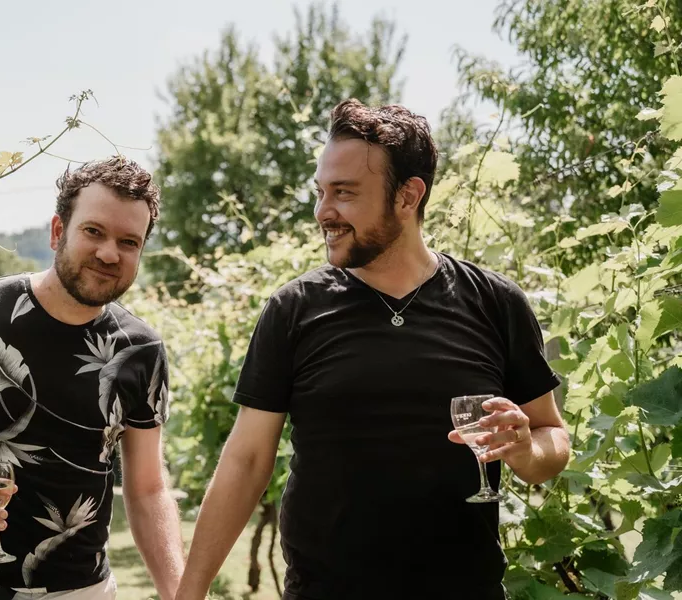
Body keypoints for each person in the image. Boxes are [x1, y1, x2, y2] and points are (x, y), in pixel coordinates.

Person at [175, 100, 571, 600]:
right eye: (321, 192)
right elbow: (247, 460)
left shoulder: (495, 302)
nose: (323, 211)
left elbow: (551, 437)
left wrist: (525, 449)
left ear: (408, 195)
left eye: (344, 193)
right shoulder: (294, 309)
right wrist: (188, 593)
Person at [0, 156, 184, 600]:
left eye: (129, 241)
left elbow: (148, 488)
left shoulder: (142, 351)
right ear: (58, 231)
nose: (108, 253)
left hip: (84, 592)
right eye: (94, 231)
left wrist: (181, 591)